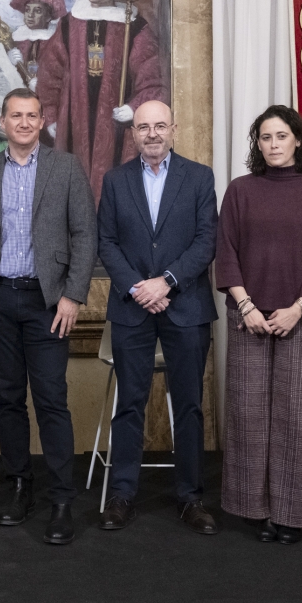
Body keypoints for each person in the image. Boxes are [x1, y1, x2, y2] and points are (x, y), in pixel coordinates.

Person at [0, 88, 96, 544]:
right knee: (7, 400)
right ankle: (19, 488)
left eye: (32, 116)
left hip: (48, 304)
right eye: (15, 116)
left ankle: (61, 499)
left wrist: (73, 297)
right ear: (2, 122)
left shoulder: (65, 168)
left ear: (42, 122)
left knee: (51, 400)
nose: (24, 123)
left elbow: (85, 234)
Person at [215, 105, 302, 544]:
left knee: (297, 418)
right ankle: (253, 509)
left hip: (301, 320)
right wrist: (246, 306)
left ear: (299, 141)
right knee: (249, 415)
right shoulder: (240, 190)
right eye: (265, 137)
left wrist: (299, 308)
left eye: (281, 136)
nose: (273, 145)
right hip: (246, 316)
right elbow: (226, 251)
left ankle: (292, 513)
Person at [96, 100, 218, 534]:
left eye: (160, 126)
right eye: (143, 127)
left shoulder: (200, 177)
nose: (151, 133)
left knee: (188, 405)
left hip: (185, 306)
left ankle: (190, 497)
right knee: (129, 404)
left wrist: (165, 282)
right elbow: (106, 242)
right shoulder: (114, 180)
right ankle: (122, 494)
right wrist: (138, 287)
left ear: (174, 129)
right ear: (133, 134)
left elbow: (206, 241)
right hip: (132, 307)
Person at [38, 0, 167, 206]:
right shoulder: (68, 25)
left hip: (116, 127)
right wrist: (51, 116)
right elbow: (48, 76)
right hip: (73, 122)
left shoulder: (134, 27)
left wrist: (133, 108)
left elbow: (151, 79)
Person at [4, 0, 66, 91]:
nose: (30, 15)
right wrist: (9, 61)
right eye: (27, 10)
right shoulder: (17, 39)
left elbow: (63, 74)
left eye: (37, 11)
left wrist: (42, 83)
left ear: (48, 17)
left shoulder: (57, 41)